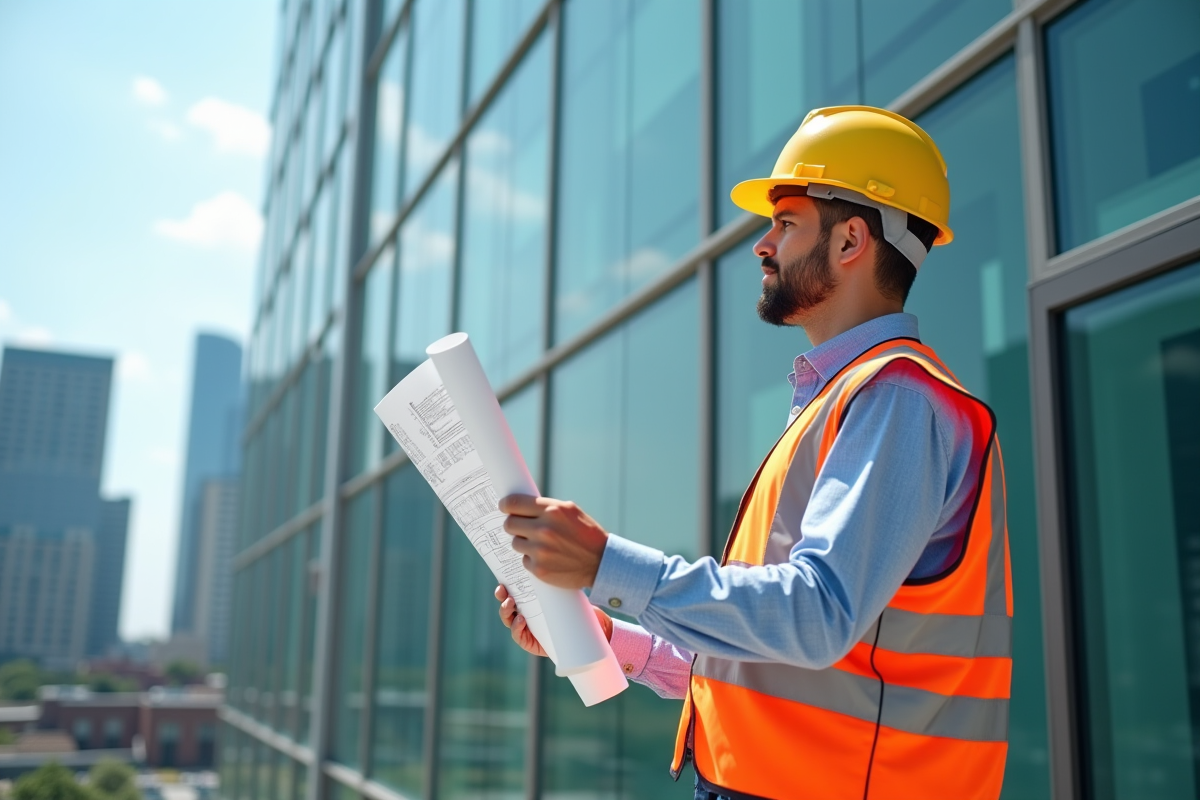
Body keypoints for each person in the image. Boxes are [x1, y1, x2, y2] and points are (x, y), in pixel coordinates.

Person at [494, 105, 1012, 800]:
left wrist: (606, 562)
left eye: (786, 222)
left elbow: (816, 615)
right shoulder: (845, 402)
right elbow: (761, 659)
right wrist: (602, 636)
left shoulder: (899, 400)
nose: (763, 245)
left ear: (851, 239)